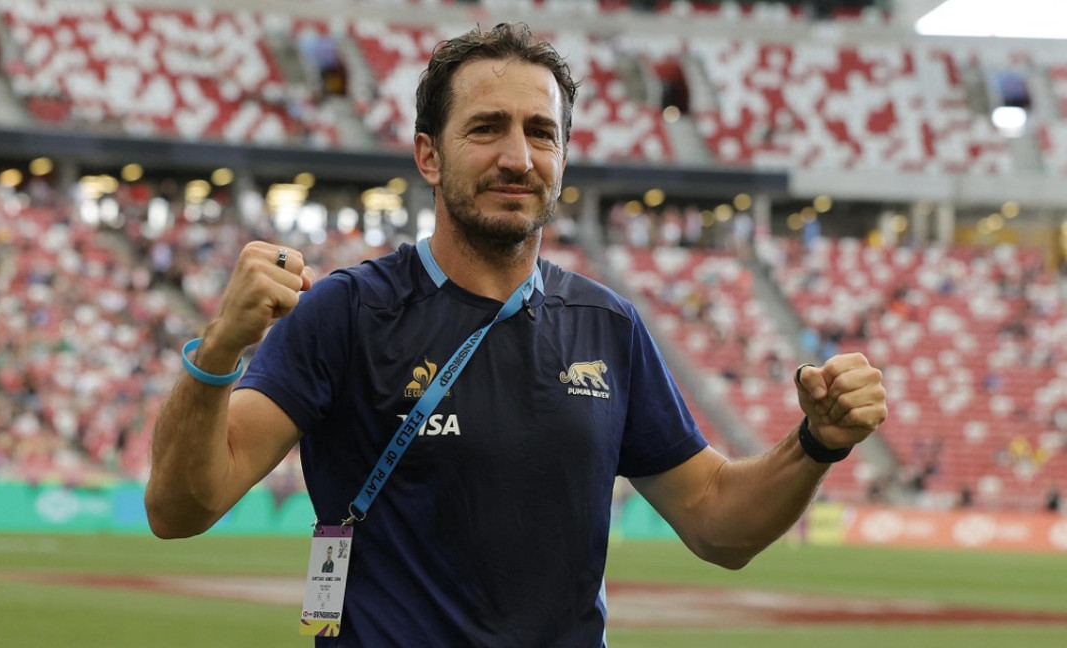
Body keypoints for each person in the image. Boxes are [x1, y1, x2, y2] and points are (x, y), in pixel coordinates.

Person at [144, 23, 888, 647]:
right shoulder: (346, 312)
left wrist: (816, 442)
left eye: (541, 132)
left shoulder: (609, 326)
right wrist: (217, 354)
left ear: (562, 159)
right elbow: (180, 509)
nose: (518, 157)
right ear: (428, 155)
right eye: (487, 128)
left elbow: (717, 523)